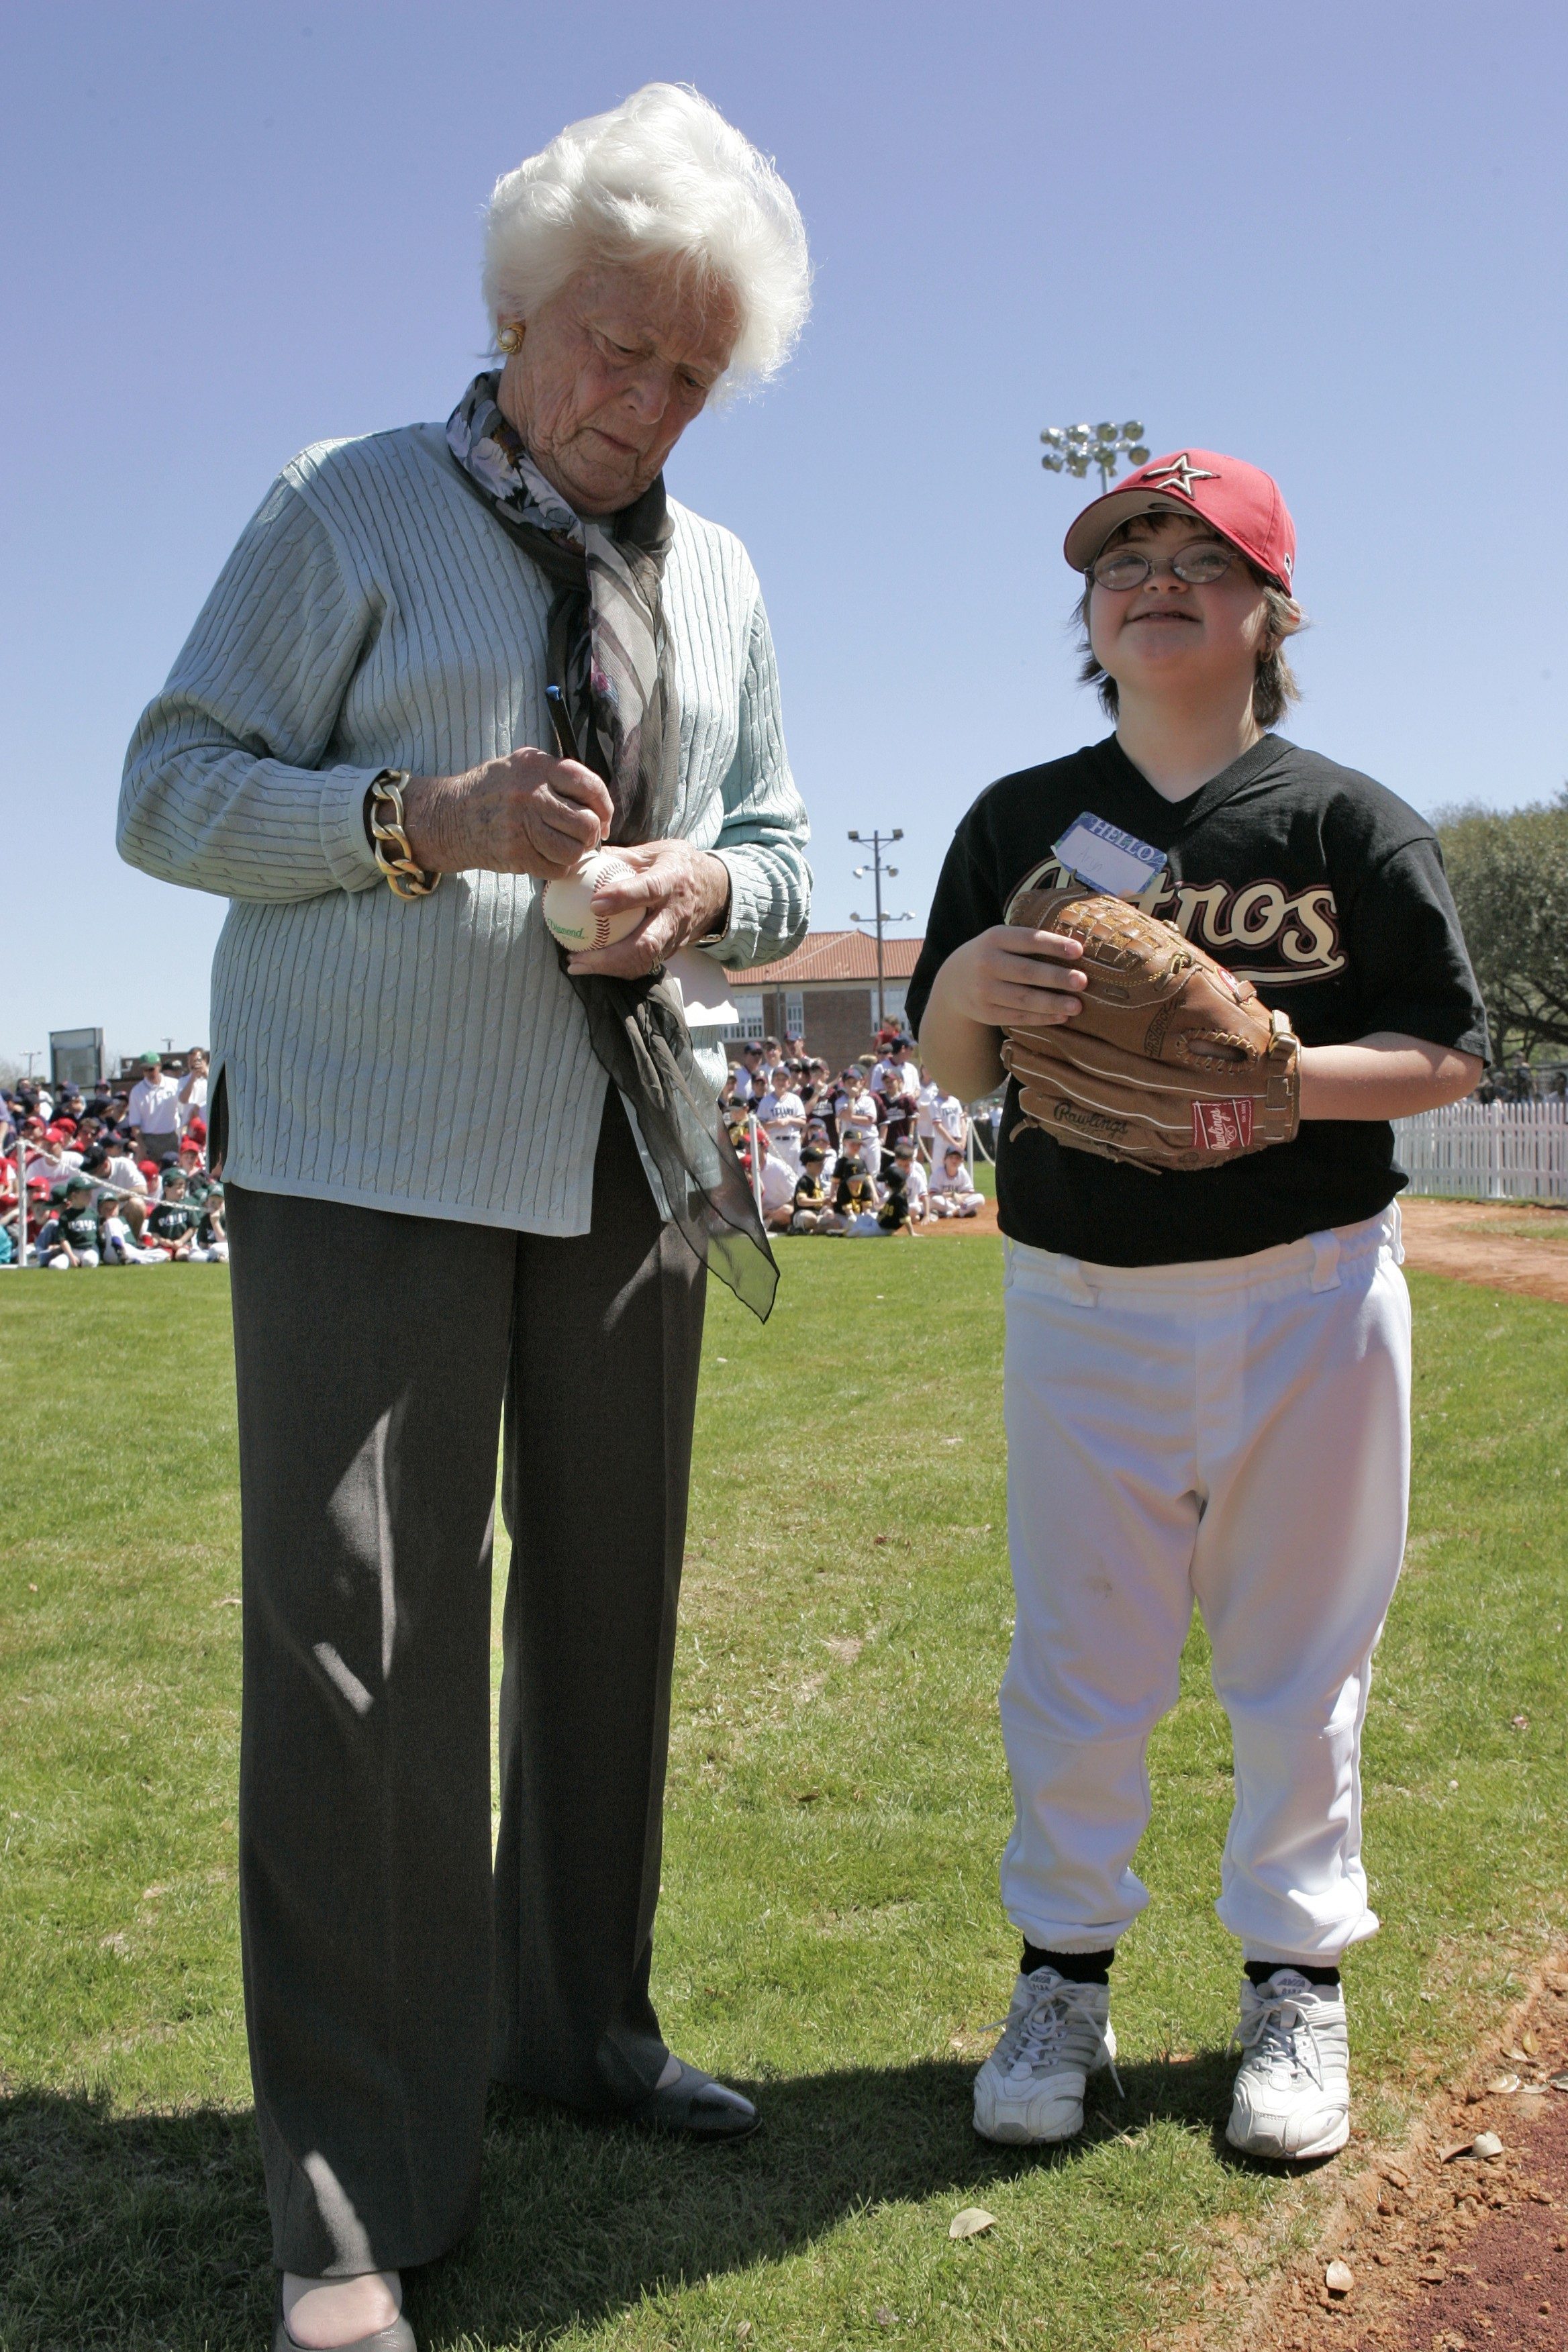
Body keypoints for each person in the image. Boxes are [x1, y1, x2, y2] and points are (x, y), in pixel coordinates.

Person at [117, 83, 812, 2352]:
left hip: (630, 1153)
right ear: (516, 312)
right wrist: (427, 823)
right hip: (363, 1141)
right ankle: (348, 2196)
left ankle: (576, 2030)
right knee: (360, 1662)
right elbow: (168, 785)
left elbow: (786, 846)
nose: (640, 400)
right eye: (612, 343)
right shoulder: (347, 506)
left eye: (689, 371)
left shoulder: (718, 577)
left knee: (602, 1620)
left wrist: (700, 883)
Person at [908, 450, 1486, 2166]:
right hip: (1079, 1285)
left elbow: (1449, 1054)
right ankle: (1060, 1979)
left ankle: (1292, 1982)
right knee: (1076, 1654)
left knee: (1296, 1657)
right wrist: (955, 987)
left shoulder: (1339, 819)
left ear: (1268, 608)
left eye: (1199, 553)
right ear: (1088, 610)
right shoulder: (1018, 820)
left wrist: (1282, 1084)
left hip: (1306, 1283)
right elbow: (959, 1072)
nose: (1154, 575)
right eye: (1123, 552)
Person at [127, 1051, 183, 1164]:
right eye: (145, 1070)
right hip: (149, 1139)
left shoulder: (175, 1085)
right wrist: (142, 1147)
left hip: (172, 1137)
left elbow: (184, 1111)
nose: (149, 1073)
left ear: (159, 1066)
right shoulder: (137, 1092)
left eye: (151, 1069)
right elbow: (135, 1124)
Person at [38, 1175, 103, 1269]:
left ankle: (82, 1262)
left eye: (90, 1192)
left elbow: (98, 1237)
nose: (90, 1196)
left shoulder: (93, 1214)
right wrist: (71, 1256)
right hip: (72, 1250)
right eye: (86, 1193)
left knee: (89, 1260)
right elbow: (62, 1239)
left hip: (89, 1249)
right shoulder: (65, 1216)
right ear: (74, 1195)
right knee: (55, 1265)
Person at [787, 1144, 835, 1232]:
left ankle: (814, 1230)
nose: (822, 1166)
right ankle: (799, 1229)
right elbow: (801, 1201)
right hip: (803, 1213)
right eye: (819, 1164)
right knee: (809, 1218)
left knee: (832, 1217)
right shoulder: (804, 1181)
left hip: (818, 1213)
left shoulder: (818, 1179)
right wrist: (822, 1201)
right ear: (809, 1165)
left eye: (823, 1164)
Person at [928, 1144, 985, 1218]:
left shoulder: (963, 1173)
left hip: (960, 1203)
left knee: (980, 1198)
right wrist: (953, 1194)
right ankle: (962, 1211)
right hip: (945, 1203)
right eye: (951, 1158)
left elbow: (970, 1192)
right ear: (944, 1160)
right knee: (936, 1200)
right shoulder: (938, 1173)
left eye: (957, 1158)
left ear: (961, 1161)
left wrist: (960, 1196)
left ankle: (950, 1213)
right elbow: (933, 1194)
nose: (954, 1161)